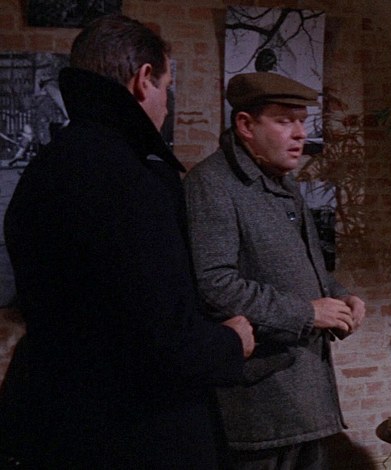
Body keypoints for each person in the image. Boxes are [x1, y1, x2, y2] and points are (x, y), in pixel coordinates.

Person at [0, 15, 255, 469]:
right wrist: (230, 343)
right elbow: (161, 335)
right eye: (167, 87)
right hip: (133, 430)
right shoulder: (130, 179)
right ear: (143, 79)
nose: (167, 105)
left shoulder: (45, 169)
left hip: (50, 421)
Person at [183, 72, 366, 470]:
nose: (300, 133)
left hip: (307, 397)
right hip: (262, 405)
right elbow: (215, 285)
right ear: (246, 125)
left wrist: (340, 296)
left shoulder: (283, 182)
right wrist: (308, 313)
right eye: (284, 121)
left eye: (302, 121)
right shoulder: (212, 184)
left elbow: (305, 267)